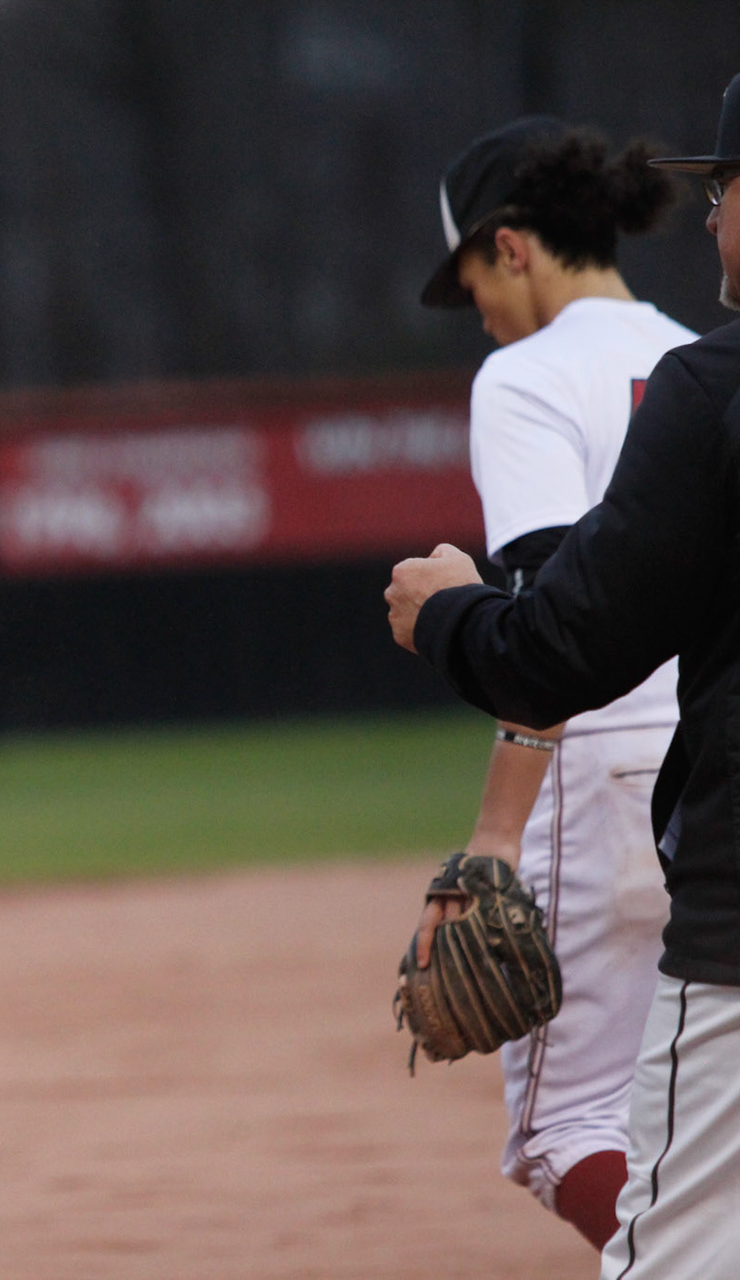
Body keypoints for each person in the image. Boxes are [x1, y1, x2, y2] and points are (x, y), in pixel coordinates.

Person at [387, 71, 740, 1280]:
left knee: (562, 1127)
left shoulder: (525, 376)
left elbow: (551, 625)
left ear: (513, 245)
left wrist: (495, 834)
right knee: (690, 1092)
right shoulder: (692, 347)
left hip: (586, 774)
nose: (478, 313)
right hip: (691, 761)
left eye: (472, 282)